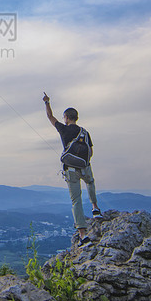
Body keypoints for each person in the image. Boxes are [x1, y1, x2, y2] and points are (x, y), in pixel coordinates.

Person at [43, 92, 101, 243]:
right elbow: (91, 151)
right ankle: (95, 207)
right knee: (90, 182)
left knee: (76, 201)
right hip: (85, 166)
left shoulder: (64, 129)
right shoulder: (85, 132)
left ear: (67, 118)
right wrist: (84, 163)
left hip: (70, 170)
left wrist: (47, 102)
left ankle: (83, 236)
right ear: (76, 118)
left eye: (64, 118)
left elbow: (50, 117)